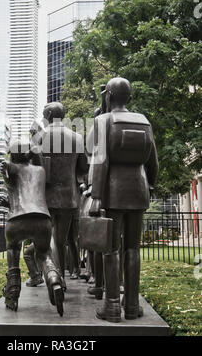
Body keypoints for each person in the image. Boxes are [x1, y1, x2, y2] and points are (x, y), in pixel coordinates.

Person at [89, 77, 158, 323]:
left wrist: (96, 196)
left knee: (111, 249)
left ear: (107, 96)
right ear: (129, 97)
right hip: (138, 191)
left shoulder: (102, 120)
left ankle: (111, 305)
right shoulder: (144, 121)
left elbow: (100, 159)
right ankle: (131, 305)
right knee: (133, 249)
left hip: (113, 192)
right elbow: (153, 160)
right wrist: (149, 184)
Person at [1, 140, 64, 316]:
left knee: (13, 250)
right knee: (43, 255)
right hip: (42, 220)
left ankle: (13, 293)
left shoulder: (12, 169)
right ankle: (54, 279)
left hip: (17, 221)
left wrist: (6, 167)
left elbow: (10, 170)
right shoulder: (41, 171)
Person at [41, 102, 88, 284]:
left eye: (44, 113)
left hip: (45, 197)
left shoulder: (40, 136)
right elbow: (84, 166)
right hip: (69, 197)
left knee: (46, 239)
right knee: (61, 240)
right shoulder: (76, 137)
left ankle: (54, 278)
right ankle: (59, 277)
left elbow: (32, 164)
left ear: (50, 113)